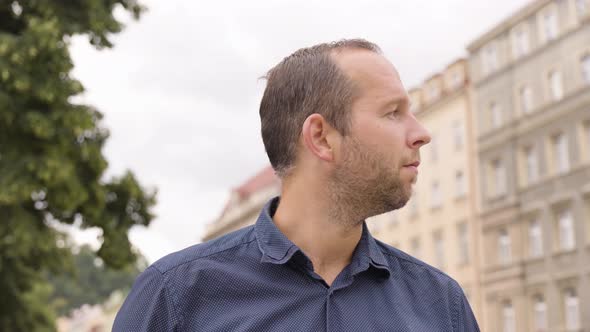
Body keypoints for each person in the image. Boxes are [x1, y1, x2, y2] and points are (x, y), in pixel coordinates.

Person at [113, 39, 480, 331]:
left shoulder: (440, 303)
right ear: (321, 137)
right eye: (393, 113)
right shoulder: (176, 296)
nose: (421, 134)